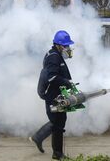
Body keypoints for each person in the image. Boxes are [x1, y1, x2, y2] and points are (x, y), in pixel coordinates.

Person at [30, 30, 75, 160]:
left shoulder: (56, 54)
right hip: (53, 96)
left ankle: (38, 138)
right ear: (59, 44)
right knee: (58, 124)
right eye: (66, 45)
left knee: (58, 122)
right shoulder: (53, 57)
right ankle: (57, 154)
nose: (68, 48)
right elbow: (52, 77)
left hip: (58, 94)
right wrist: (67, 82)